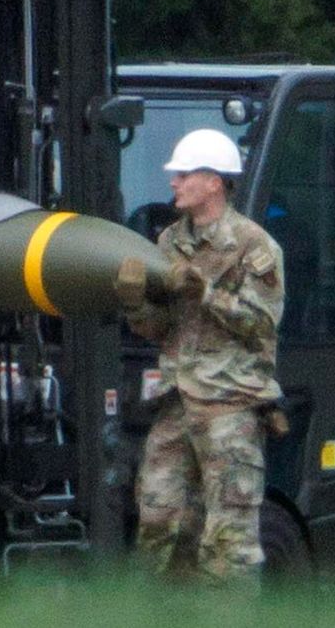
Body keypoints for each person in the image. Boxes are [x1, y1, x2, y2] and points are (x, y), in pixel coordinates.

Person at [113, 128, 283, 589]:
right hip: (176, 400)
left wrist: (205, 292)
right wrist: (134, 305)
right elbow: (160, 329)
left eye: (184, 174)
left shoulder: (254, 246)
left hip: (230, 404)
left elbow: (261, 323)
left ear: (214, 182)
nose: (174, 182)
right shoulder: (169, 242)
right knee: (158, 522)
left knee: (229, 536)